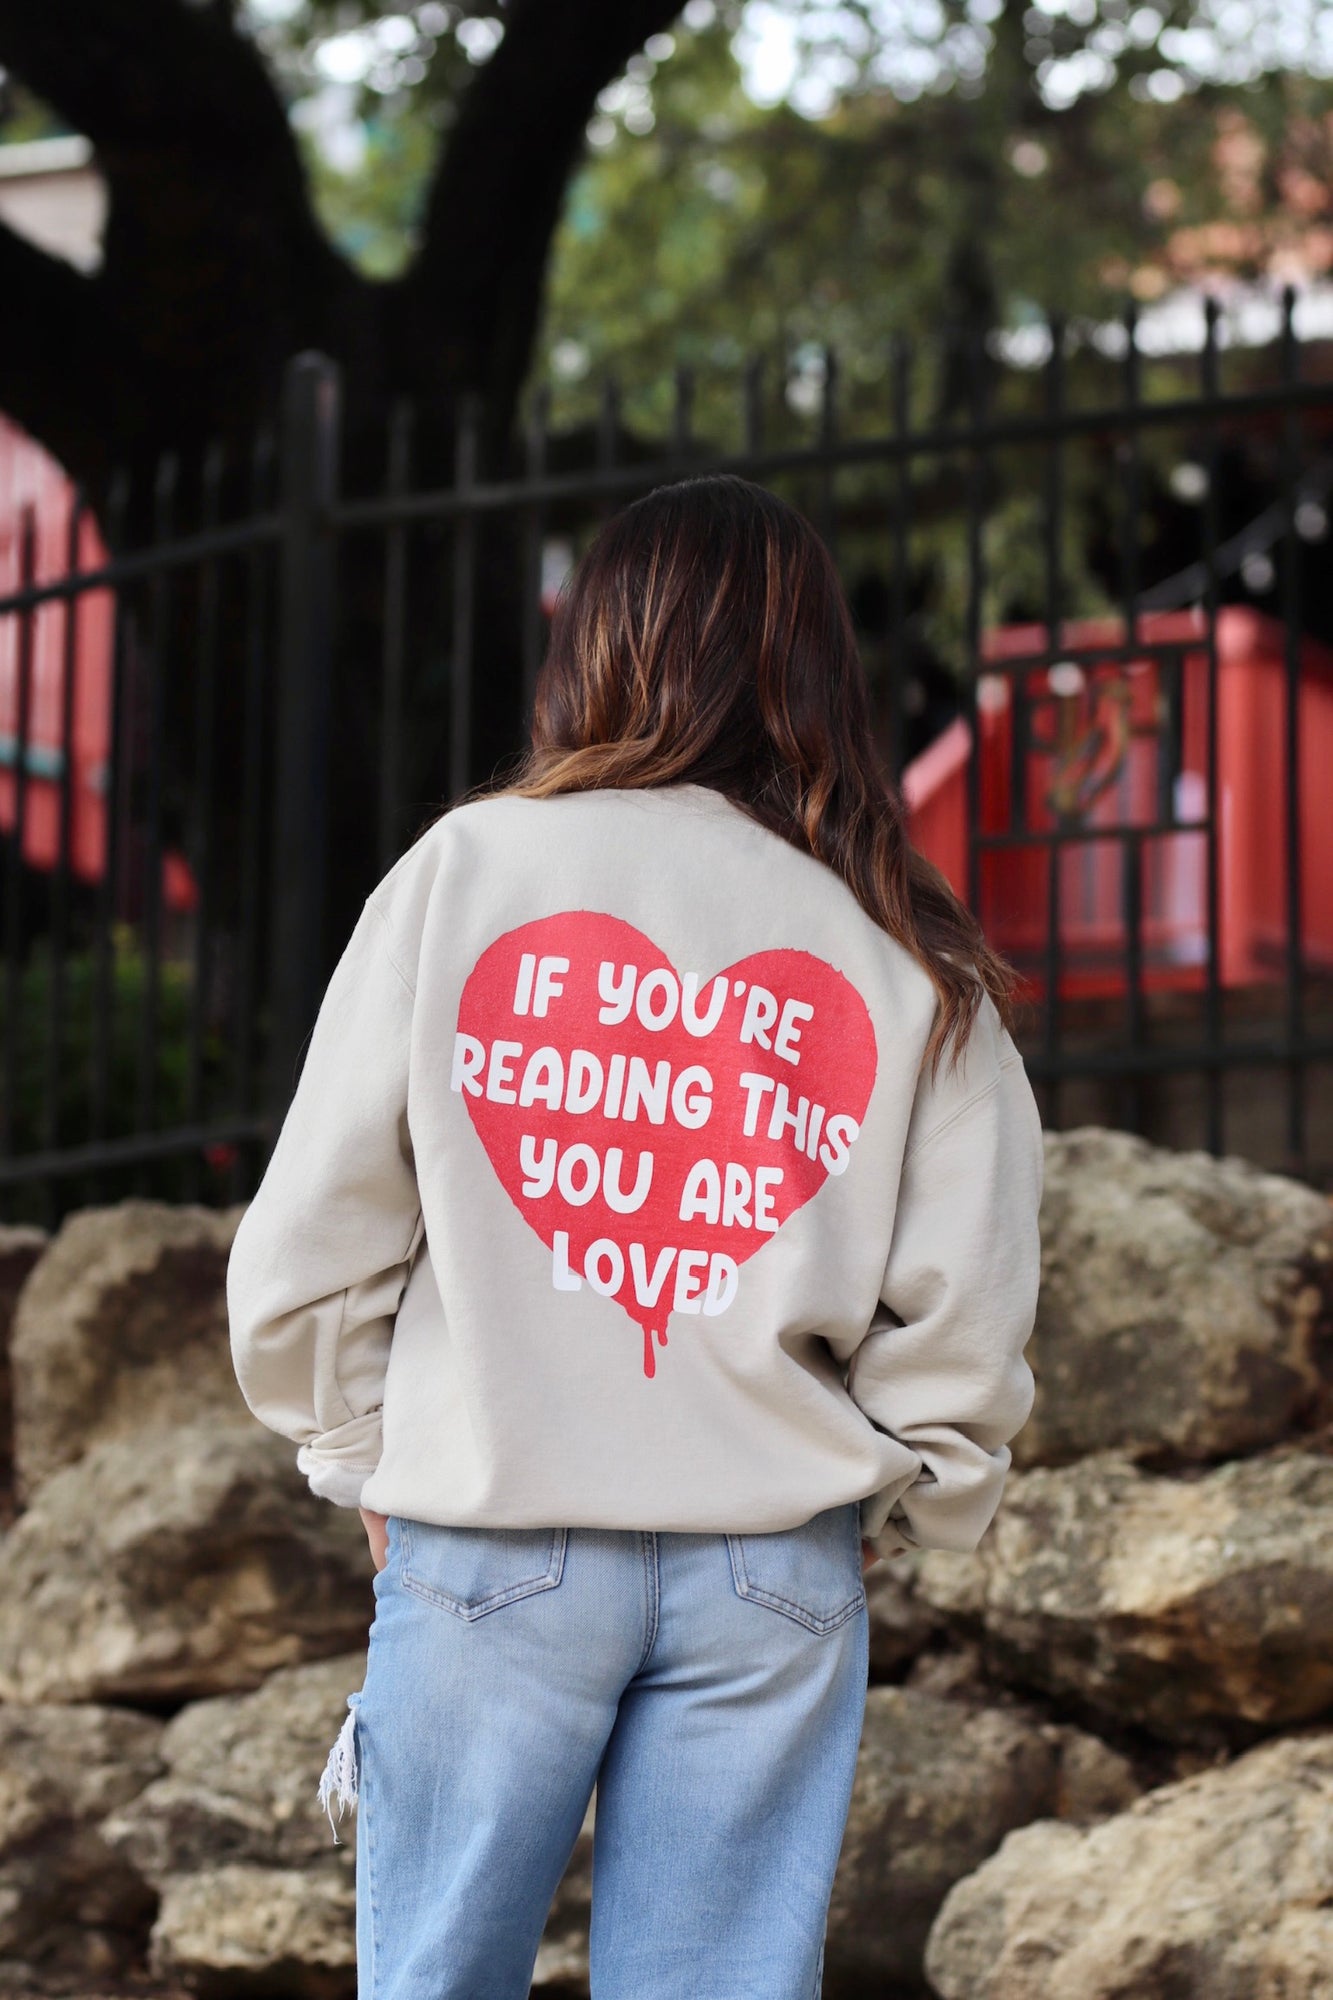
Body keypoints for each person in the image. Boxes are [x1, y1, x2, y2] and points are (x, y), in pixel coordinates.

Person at [226, 472, 1043, 2000]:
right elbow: (969, 1302)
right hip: (769, 1561)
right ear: (822, 668)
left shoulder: (468, 870)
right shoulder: (900, 937)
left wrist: (358, 1453)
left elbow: (316, 1234)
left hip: (494, 1531)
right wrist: (908, 1490)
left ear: (594, 642)